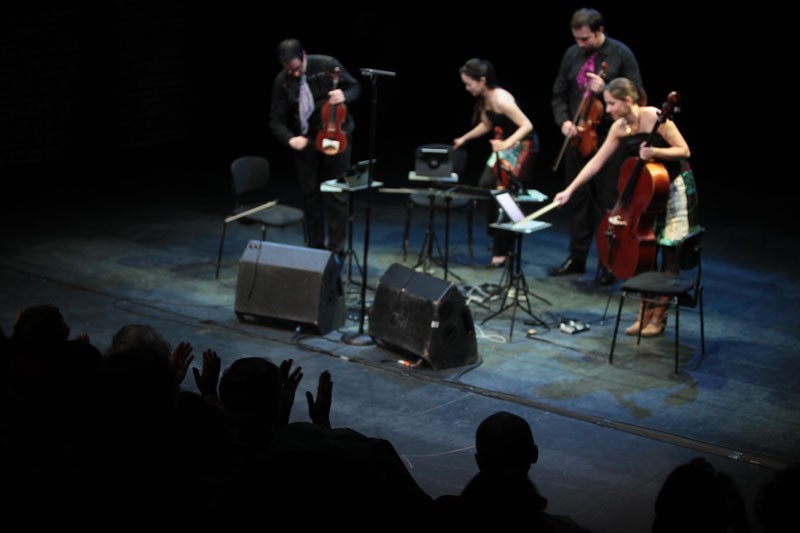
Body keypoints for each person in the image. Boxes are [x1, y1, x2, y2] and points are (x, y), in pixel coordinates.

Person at [554, 77, 698, 337]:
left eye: (611, 104)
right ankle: (644, 311)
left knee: (669, 250)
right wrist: (569, 190)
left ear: (628, 100)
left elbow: (684, 151)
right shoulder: (619, 127)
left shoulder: (655, 117)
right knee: (646, 250)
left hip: (673, 186)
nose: (607, 109)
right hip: (646, 190)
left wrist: (655, 152)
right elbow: (596, 162)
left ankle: (659, 315)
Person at [550, 7, 643, 285]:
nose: (580, 44)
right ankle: (576, 257)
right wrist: (564, 121)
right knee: (577, 200)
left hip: (609, 136)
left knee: (606, 201)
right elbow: (559, 93)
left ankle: (608, 263)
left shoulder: (621, 54)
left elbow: (637, 92)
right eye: (576, 39)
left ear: (600, 31)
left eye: (585, 39)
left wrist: (606, 88)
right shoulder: (571, 55)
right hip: (579, 134)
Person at [269, 38, 361, 260]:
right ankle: (315, 249)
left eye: (297, 68)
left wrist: (345, 95)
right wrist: (291, 140)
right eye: (289, 70)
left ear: (303, 56)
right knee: (310, 197)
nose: (295, 74)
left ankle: (337, 250)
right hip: (307, 140)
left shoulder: (326, 64)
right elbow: (276, 120)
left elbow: (354, 86)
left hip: (336, 135)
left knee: (337, 194)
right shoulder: (282, 81)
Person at [453, 58, 539, 268]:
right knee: (486, 184)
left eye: (469, 83)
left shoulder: (501, 99)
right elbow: (486, 124)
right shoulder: (484, 98)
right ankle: (499, 235)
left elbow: (527, 125)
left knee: (505, 194)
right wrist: (464, 138)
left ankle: (503, 249)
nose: (467, 88)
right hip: (505, 146)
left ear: (482, 81)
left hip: (522, 146)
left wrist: (506, 144)